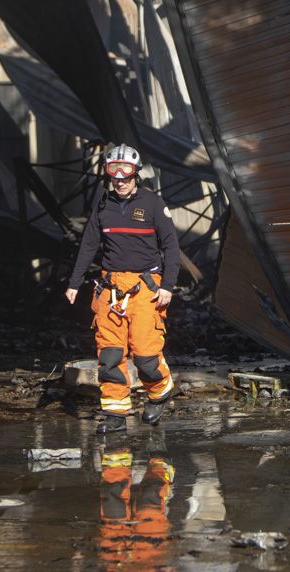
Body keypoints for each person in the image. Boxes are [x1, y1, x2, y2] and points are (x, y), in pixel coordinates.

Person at [65, 143, 180, 434]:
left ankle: (160, 391)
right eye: (114, 175)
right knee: (110, 355)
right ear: (108, 176)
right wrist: (74, 283)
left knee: (145, 355)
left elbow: (171, 247)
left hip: (145, 289)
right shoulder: (103, 205)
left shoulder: (152, 203)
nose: (120, 180)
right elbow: (89, 245)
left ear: (135, 174)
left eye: (125, 174)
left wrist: (168, 285)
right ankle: (115, 413)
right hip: (110, 289)